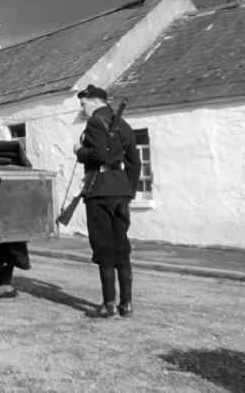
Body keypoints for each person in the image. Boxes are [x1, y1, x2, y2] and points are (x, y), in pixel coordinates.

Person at [73, 84, 140, 318]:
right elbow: (134, 162)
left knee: (104, 248)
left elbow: (98, 155)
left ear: (95, 101)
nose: (82, 109)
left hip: (100, 191)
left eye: (83, 104)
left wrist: (78, 151)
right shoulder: (124, 125)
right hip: (120, 192)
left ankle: (109, 304)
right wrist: (128, 191)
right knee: (121, 247)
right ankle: (127, 305)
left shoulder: (94, 123)